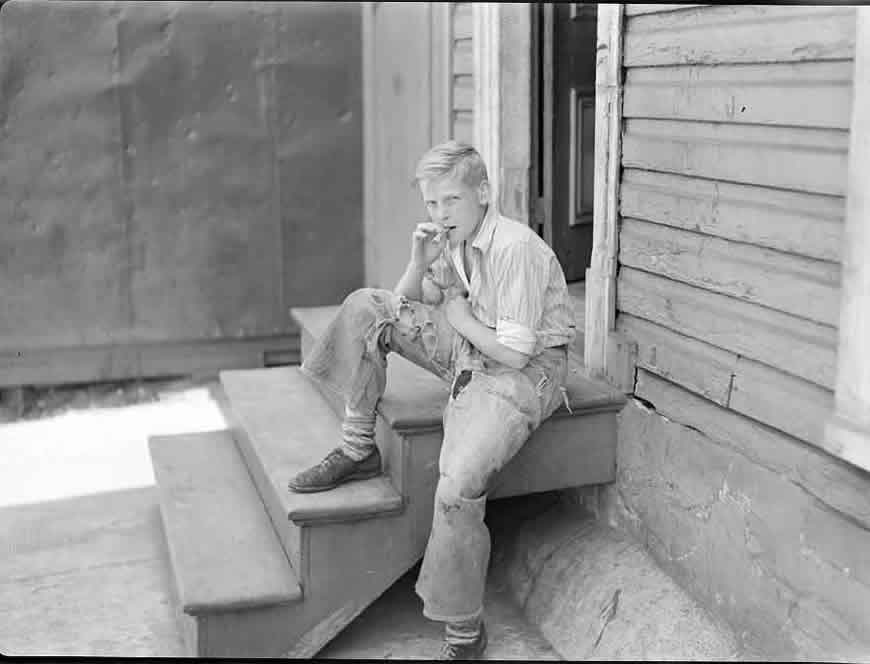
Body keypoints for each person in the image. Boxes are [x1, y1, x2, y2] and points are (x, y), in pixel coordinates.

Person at [289, 140, 576, 660]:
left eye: (451, 201)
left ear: (483, 193)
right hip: (471, 345)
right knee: (367, 307)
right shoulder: (456, 240)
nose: (440, 214)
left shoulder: (514, 248)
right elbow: (404, 303)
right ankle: (358, 448)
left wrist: (461, 319)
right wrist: (419, 262)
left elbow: (514, 354)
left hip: (526, 370)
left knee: (457, 487)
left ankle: (464, 632)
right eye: (432, 204)